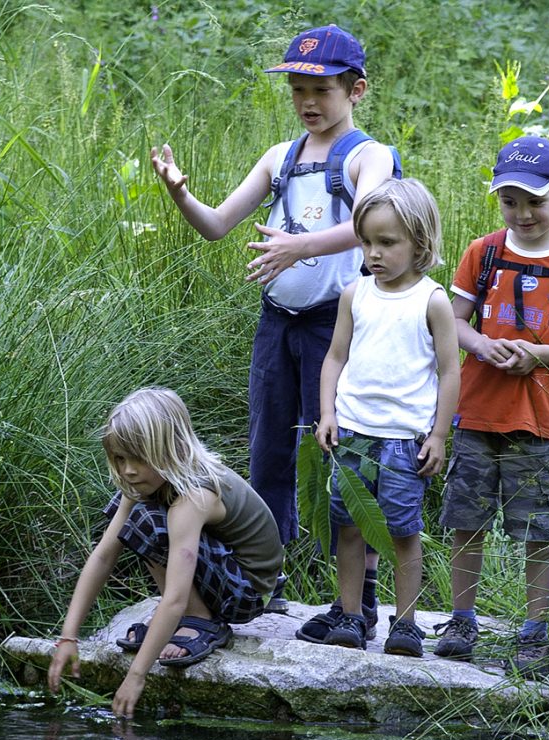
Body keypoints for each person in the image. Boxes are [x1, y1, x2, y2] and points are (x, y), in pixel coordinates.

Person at [150, 24, 394, 620]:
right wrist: (182, 194)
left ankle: (358, 596)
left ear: (356, 89)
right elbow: (216, 225)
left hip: (336, 328)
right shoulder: (279, 158)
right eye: (297, 89)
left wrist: (299, 247)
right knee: (268, 450)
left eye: (322, 88)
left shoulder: (368, 155)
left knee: (343, 450)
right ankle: (264, 578)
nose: (308, 101)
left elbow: (374, 223)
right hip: (277, 323)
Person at [434, 136, 549, 675]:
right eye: (510, 201)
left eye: (536, 201)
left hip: (539, 419)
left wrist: (537, 355)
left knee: (536, 529)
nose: (524, 213)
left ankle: (535, 631)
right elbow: (452, 321)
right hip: (476, 411)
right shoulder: (481, 254)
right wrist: (481, 345)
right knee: (467, 520)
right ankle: (463, 619)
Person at [47, 387, 283, 718]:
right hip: (221, 572)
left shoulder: (194, 496)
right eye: (119, 458)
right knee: (135, 514)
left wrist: (136, 676)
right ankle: (189, 616)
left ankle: (200, 620)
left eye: (138, 458)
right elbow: (104, 555)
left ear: (170, 449)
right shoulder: (147, 481)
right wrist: (68, 637)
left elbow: (172, 598)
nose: (128, 470)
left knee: (145, 521)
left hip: (247, 590)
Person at [313, 178, 460, 655]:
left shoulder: (432, 300)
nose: (374, 252)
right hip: (353, 435)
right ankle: (352, 615)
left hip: (403, 441)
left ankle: (407, 623)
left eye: (387, 242)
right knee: (350, 528)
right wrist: (327, 413)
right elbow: (335, 357)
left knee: (402, 531)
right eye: (367, 241)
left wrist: (439, 435)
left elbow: (449, 370)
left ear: (420, 243)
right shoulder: (355, 294)